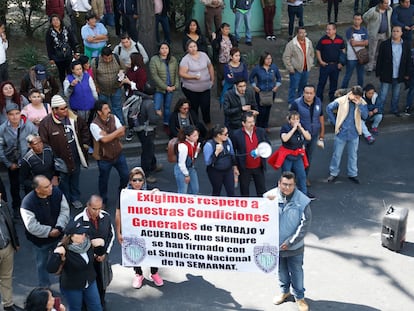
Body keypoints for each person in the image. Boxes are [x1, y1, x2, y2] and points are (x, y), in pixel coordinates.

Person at [263, 171, 312, 311]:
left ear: (294, 185)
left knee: (296, 271)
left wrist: (290, 242)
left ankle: (300, 297)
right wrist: (266, 203)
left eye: (290, 185)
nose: (287, 187)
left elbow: (305, 224)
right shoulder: (269, 196)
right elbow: (260, 218)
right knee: (281, 271)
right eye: (284, 184)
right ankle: (284, 292)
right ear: (279, 183)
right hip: (275, 245)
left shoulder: (302, 200)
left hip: (294, 246)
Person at [115, 167, 164, 289]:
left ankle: (154, 273)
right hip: (131, 230)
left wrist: (158, 192)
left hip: (148, 229)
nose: (137, 183)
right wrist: (119, 232)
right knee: (134, 251)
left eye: (140, 180)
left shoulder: (149, 193)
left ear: (144, 181)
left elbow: (161, 206)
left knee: (153, 249)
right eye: (134, 180)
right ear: (130, 181)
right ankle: (138, 274)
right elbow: (118, 213)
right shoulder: (124, 194)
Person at [38, 95, 90, 209]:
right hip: (60, 160)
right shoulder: (45, 124)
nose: (65, 110)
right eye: (62, 108)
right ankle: (65, 202)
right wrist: (52, 161)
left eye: (66, 107)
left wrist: (85, 145)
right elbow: (45, 144)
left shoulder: (74, 117)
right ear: (54, 110)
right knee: (63, 183)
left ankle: (75, 198)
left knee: (75, 179)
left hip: (75, 156)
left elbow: (84, 129)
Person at [20, 175, 70, 287]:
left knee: (63, 261)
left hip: (59, 237)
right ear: (37, 189)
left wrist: (59, 227)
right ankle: (44, 287)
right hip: (40, 242)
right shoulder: (27, 203)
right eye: (47, 187)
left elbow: (65, 211)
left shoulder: (57, 193)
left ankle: (66, 284)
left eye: (50, 185)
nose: (51, 188)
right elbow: (31, 226)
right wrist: (49, 232)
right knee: (42, 265)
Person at [47, 219, 104, 311]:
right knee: (76, 308)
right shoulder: (64, 249)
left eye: (84, 233)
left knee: (96, 306)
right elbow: (50, 269)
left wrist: (100, 245)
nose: (84, 236)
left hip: (89, 281)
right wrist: (56, 255)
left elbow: (100, 254)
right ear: (71, 236)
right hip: (73, 286)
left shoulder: (88, 243)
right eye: (80, 234)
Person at [73, 195, 114, 309]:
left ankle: (101, 302)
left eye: (99, 208)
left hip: (102, 259)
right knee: (86, 285)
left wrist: (105, 253)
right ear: (88, 206)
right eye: (94, 208)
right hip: (85, 262)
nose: (97, 211)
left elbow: (111, 235)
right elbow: (74, 243)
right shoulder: (78, 220)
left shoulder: (106, 217)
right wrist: (91, 253)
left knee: (102, 283)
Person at [0, 103, 37, 219]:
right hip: (12, 162)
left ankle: (29, 207)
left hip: (26, 161)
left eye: (17, 114)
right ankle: (16, 207)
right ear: (7, 116)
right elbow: (0, 148)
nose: (15, 117)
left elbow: (36, 138)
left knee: (28, 185)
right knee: (14, 186)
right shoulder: (2, 129)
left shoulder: (28, 125)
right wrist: (8, 164)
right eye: (11, 114)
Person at [326, 86, 368, 184]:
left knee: (353, 155)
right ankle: (333, 173)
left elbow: (365, 116)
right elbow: (329, 108)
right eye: (355, 96)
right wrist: (335, 122)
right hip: (342, 133)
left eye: (358, 97)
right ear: (351, 93)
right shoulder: (341, 100)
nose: (356, 99)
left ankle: (353, 173)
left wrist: (360, 106)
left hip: (354, 132)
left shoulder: (362, 102)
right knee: (337, 154)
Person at [90, 100, 129, 205]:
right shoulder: (94, 125)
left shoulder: (113, 117)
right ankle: (103, 201)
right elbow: (104, 140)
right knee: (103, 180)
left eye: (108, 108)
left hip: (118, 153)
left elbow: (123, 132)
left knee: (125, 176)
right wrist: (116, 132)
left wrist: (108, 134)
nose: (109, 110)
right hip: (104, 158)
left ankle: (122, 194)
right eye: (106, 109)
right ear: (99, 112)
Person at [124, 84, 162, 184]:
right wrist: (158, 115)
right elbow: (153, 119)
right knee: (147, 151)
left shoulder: (138, 98)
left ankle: (153, 165)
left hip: (138, 128)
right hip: (147, 130)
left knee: (150, 147)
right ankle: (147, 173)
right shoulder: (149, 103)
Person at [290, 85, 325, 188]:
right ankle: (293, 178)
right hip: (301, 136)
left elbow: (321, 116)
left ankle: (304, 177)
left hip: (314, 135)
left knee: (308, 157)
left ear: (314, 94)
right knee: (297, 157)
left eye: (311, 93)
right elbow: (291, 120)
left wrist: (322, 132)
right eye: (307, 93)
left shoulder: (318, 102)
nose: (309, 95)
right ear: (303, 93)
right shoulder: (296, 104)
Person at [269, 111, 311, 197]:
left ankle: (304, 195)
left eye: (297, 119)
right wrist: (293, 129)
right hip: (287, 156)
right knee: (287, 176)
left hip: (298, 155)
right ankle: (285, 195)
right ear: (289, 120)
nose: (295, 121)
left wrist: (301, 129)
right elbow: (285, 139)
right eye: (293, 119)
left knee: (302, 175)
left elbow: (308, 137)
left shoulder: (301, 127)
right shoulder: (285, 128)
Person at [375, 25, 411, 116]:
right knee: (383, 94)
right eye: (394, 31)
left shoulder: (406, 45)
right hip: (387, 73)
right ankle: (379, 110)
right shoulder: (385, 44)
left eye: (397, 31)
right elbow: (380, 59)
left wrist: (407, 73)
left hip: (399, 74)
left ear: (401, 33)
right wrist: (378, 72)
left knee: (396, 94)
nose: (395, 33)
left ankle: (394, 109)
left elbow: (408, 60)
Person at [179, 40, 215, 129]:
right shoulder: (185, 60)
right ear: (187, 49)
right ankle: (195, 125)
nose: (193, 48)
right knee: (194, 107)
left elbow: (210, 66)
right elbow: (182, 73)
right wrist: (193, 77)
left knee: (206, 105)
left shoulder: (204, 55)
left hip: (205, 87)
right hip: (191, 89)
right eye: (190, 47)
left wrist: (212, 79)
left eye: (194, 46)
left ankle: (208, 123)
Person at [231, 111, 268, 197]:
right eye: (249, 122)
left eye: (253, 121)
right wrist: (235, 166)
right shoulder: (236, 134)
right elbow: (233, 152)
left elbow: (267, 145)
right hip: (244, 168)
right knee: (244, 192)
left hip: (259, 167)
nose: (252, 124)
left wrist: (260, 151)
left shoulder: (261, 131)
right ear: (243, 123)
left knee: (262, 191)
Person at [149, 42, 179, 134]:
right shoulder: (154, 60)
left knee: (167, 107)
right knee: (156, 107)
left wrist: (176, 85)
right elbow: (154, 76)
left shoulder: (173, 60)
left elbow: (176, 74)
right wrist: (165, 87)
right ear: (159, 50)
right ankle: (153, 125)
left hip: (171, 88)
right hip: (159, 89)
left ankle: (166, 124)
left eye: (166, 48)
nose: (164, 50)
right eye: (162, 48)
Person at [92, 46, 126, 124]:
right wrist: (96, 86)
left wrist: (122, 76)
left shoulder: (117, 59)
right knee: (104, 109)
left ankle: (120, 124)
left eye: (109, 58)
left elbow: (124, 69)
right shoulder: (95, 62)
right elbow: (93, 76)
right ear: (102, 56)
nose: (107, 60)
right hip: (102, 90)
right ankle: (106, 124)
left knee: (117, 107)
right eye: (105, 59)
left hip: (116, 88)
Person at [249, 51, 282, 131]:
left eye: (270, 58)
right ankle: (258, 126)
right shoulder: (257, 68)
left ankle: (265, 126)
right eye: (267, 59)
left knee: (268, 109)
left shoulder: (274, 67)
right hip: (260, 93)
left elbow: (279, 78)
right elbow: (251, 78)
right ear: (263, 59)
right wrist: (254, 87)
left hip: (271, 92)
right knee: (261, 110)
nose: (269, 60)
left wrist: (277, 86)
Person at [203, 124, 238, 196]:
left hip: (228, 170)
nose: (227, 135)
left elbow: (232, 154)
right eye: (225, 134)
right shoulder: (209, 145)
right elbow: (208, 162)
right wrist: (216, 153)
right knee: (216, 191)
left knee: (231, 191)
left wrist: (235, 167)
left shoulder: (228, 140)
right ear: (219, 135)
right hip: (215, 172)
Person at [283, 27, 314, 105]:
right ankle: (291, 103)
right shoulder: (291, 44)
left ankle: (300, 102)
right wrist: (290, 68)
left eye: (304, 33)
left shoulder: (308, 42)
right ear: (297, 33)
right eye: (301, 33)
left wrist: (310, 62)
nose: (303, 35)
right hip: (295, 70)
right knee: (293, 87)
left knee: (303, 87)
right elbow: (286, 57)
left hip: (306, 69)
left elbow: (311, 54)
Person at [0, 193, 21, 311]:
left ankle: (8, 304)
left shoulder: (3, 205)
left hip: (7, 247)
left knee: (6, 277)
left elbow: (10, 224)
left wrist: (16, 242)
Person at [315, 23, 345, 102]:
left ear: (334, 30)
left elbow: (343, 50)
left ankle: (332, 98)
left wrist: (341, 63)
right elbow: (318, 50)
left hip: (335, 65)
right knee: (321, 82)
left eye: (329, 29)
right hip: (325, 65)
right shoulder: (323, 39)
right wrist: (321, 61)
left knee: (334, 83)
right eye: (327, 29)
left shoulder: (340, 39)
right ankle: (318, 99)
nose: (327, 31)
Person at [45, 14, 78, 85]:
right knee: (61, 72)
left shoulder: (66, 29)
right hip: (57, 56)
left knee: (70, 71)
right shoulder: (49, 32)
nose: (56, 22)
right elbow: (49, 46)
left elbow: (72, 41)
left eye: (57, 20)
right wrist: (51, 58)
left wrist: (75, 52)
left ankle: (71, 85)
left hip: (68, 54)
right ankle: (64, 86)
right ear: (51, 22)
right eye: (53, 20)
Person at [122, 52, 148, 141]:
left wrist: (128, 82)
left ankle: (136, 129)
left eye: (130, 59)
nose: (128, 61)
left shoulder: (141, 71)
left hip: (137, 96)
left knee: (133, 114)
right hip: (129, 94)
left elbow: (140, 86)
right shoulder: (130, 69)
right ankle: (131, 129)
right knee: (129, 113)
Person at [363, 0, 392, 73]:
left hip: (384, 34)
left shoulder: (389, 9)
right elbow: (365, 17)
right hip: (375, 34)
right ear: (381, 3)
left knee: (379, 51)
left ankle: (375, 65)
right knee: (372, 51)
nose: (387, 5)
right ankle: (370, 66)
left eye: (387, 3)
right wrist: (370, 27)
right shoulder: (373, 10)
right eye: (385, 3)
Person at [341, 13, 369, 89]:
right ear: (353, 20)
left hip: (361, 57)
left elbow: (367, 43)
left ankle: (360, 91)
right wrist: (362, 42)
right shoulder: (349, 30)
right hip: (351, 57)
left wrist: (357, 43)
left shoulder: (364, 30)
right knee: (348, 75)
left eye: (358, 19)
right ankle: (343, 90)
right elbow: (352, 43)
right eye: (355, 19)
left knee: (360, 76)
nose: (357, 21)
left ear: (361, 20)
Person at [211, 22, 238, 97]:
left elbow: (235, 47)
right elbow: (214, 47)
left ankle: (230, 92)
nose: (227, 30)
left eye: (228, 29)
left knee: (231, 76)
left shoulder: (232, 38)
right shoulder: (219, 38)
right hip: (221, 61)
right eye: (226, 29)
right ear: (222, 29)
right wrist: (213, 39)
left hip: (230, 61)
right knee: (220, 77)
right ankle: (220, 93)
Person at [174, 125, 200, 194]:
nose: (197, 137)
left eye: (197, 135)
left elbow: (193, 158)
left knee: (195, 189)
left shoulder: (194, 143)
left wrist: (196, 152)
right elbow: (181, 163)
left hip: (190, 167)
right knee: (183, 191)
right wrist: (186, 175)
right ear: (187, 137)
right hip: (182, 169)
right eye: (194, 136)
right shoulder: (183, 146)